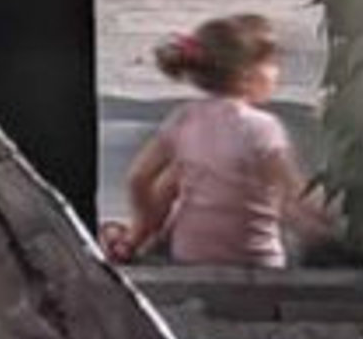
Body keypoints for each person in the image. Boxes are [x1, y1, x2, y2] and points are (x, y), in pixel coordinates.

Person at [108, 15, 322, 269]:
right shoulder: (262, 128)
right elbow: (294, 194)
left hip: (190, 255)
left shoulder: (184, 119)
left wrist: (145, 222)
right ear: (248, 73)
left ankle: (134, 240)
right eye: (272, 63)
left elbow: (138, 177)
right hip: (254, 260)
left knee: (188, 170)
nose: (278, 72)